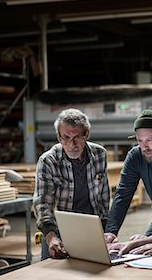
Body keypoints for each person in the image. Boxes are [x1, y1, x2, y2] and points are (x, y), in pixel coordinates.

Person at [34, 108, 110, 260]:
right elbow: (43, 204)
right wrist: (51, 237)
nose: (71, 144)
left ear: (86, 134)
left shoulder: (100, 155)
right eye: (66, 137)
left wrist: (106, 231)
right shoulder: (48, 161)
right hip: (58, 231)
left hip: (92, 229)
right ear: (58, 137)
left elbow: (104, 197)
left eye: (77, 137)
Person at [104, 109, 152, 243]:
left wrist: (148, 237)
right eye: (140, 140)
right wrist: (110, 232)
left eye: (149, 140)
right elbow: (123, 193)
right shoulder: (136, 156)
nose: (144, 147)